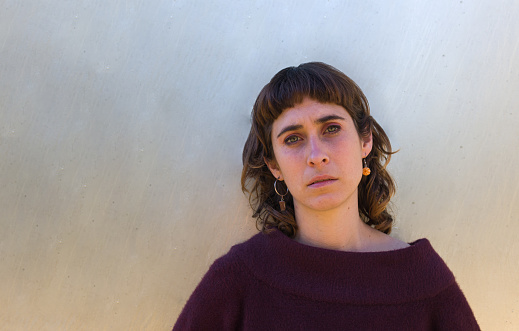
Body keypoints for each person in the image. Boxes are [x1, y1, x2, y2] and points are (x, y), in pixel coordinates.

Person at [173, 62, 480, 330]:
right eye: (293, 139)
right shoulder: (240, 278)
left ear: (365, 141)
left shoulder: (422, 279)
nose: (316, 155)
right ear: (274, 165)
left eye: (331, 129)